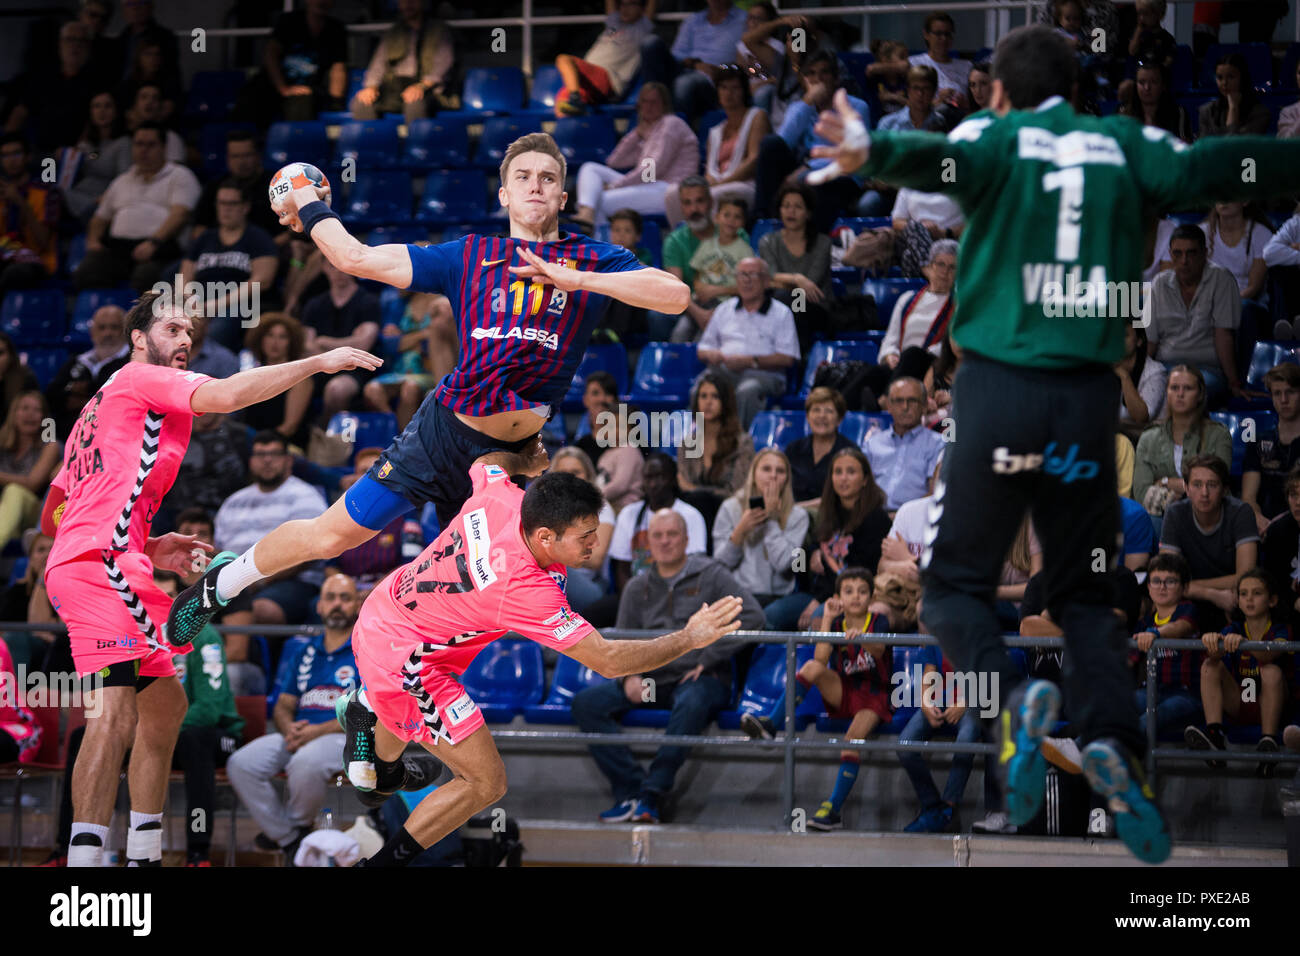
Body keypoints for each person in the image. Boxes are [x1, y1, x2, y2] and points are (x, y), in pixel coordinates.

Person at [810, 23, 1300, 863]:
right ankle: (1110, 739)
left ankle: (1008, 705)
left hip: (996, 392)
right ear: (1078, 90)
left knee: (954, 592)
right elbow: (1215, 167)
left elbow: (937, 163)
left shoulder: (991, 135)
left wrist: (871, 149)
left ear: (998, 90)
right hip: (1085, 402)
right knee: (1083, 603)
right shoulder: (1125, 140)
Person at [168, 131, 687, 650]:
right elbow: (356, 259)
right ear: (504, 194)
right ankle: (218, 587)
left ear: (563, 197)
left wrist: (578, 282)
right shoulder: (470, 255)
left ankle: (375, 697)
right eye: (522, 178)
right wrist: (306, 200)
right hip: (440, 433)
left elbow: (676, 296)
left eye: (547, 179)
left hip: (501, 459)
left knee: (483, 600)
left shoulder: (593, 259)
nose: (535, 187)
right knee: (334, 535)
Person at [40, 290, 378, 868]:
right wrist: (317, 363)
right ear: (139, 339)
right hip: (101, 567)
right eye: (172, 329)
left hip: (111, 558)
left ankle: (144, 855)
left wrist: (149, 544)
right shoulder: (138, 378)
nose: (186, 341)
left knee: (166, 704)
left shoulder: (98, 408)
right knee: (113, 713)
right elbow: (228, 393)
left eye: (190, 333)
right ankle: (85, 871)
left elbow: (56, 514)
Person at [335, 465, 744, 865]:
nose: (595, 545)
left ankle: (371, 729)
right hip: (408, 662)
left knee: (380, 779)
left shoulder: (502, 494)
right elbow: (609, 661)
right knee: (486, 783)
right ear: (545, 536)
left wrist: (528, 449)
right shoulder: (524, 588)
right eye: (585, 537)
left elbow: (483, 461)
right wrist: (690, 638)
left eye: (596, 531)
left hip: (384, 611)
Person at [575, 507, 762, 823]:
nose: (664, 541)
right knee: (586, 704)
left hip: (699, 677)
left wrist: (708, 658)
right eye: (657, 535)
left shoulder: (712, 575)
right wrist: (630, 677)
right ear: (648, 543)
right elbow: (622, 640)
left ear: (687, 539)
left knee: (692, 701)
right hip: (652, 681)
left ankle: (652, 794)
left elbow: (755, 617)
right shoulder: (636, 586)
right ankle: (631, 789)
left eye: (672, 534)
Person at [226, 574, 388, 860]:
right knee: (241, 763)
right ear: (319, 607)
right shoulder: (303, 651)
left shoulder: (369, 649)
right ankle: (292, 838)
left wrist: (316, 732)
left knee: (306, 762)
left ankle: (295, 828)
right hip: (299, 733)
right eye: (331, 598)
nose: (337, 604)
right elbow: (284, 704)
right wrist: (290, 728)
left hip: (345, 735)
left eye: (345, 598)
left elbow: (372, 708)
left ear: (357, 606)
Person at [744, 567, 893, 831]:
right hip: (844, 690)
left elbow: (879, 650)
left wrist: (863, 638)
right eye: (848, 591)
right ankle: (771, 725)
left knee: (851, 742)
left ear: (871, 597)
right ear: (838, 596)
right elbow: (822, 659)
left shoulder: (879, 620)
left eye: (862, 591)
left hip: (874, 696)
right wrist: (826, 618)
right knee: (812, 667)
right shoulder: (836, 623)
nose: (856, 597)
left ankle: (833, 809)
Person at [215, 430, 328, 628]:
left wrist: (256, 582)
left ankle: (239, 658)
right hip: (238, 583)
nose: (267, 461)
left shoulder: (305, 496)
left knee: (258, 610)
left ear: (288, 461)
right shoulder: (234, 502)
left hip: (293, 582)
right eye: (260, 455)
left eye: (274, 454)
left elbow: (307, 553)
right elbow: (220, 551)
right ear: (251, 461)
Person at [72, 121, 200, 294]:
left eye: (150, 145)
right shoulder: (122, 180)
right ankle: (105, 317)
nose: (143, 150)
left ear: (163, 147)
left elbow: (180, 215)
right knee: (87, 271)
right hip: (119, 249)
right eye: (139, 144)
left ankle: (142, 320)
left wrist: (153, 242)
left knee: (146, 276)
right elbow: (99, 218)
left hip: (161, 249)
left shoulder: (180, 176)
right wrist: (93, 241)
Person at [1187, 568, 1292, 777]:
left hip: (1270, 705)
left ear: (1272, 600)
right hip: (1241, 700)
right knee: (1210, 665)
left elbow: (1268, 656)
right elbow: (1213, 656)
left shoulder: (1281, 629)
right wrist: (1212, 643)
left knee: (1270, 671)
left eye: (1257, 593)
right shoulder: (1233, 628)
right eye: (1243, 594)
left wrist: (1245, 644)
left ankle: (1268, 740)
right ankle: (1215, 736)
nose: (1249, 599)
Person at [753, 50, 871, 233]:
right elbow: (782, 142)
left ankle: (811, 244)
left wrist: (807, 168)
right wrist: (808, 102)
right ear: (804, 79)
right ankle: (764, 221)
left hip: (842, 174)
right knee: (770, 144)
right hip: (805, 171)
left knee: (817, 186)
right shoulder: (800, 107)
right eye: (811, 73)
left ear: (836, 78)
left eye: (824, 72)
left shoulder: (857, 107)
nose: (818, 79)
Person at [572, 82, 698, 229]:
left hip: (669, 189)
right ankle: (586, 212)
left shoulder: (671, 124)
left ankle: (600, 240)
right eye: (645, 101)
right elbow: (614, 161)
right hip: (650, 184)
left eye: (654, 102)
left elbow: (651, 172)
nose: (649, 106)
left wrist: (615, 186)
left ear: (664, 105)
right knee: (590, 168)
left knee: (600, 201)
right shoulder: (650, 130)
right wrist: (637, 134)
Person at [1143, 225, 1242, 407]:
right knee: (1148, 389)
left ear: (1205, 253)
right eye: (1177, 254)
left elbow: (1223, 336)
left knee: (1188, 391)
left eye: (1191, 253)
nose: (1184, 261)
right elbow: (1150, 340)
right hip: (1165, 366)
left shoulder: (1222, 279)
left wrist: (1233, 382)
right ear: (1170, 254)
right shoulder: (1160, 282)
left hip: (1206, 369)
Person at [712, 447, 810, 629]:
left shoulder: (798, 516)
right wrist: (739, 532)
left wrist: (772, 521)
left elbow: (783, 564)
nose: (773, 476)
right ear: (754, 473)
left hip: (780, 597)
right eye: (766, 469)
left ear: (787, 478)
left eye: (780, 471)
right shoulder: (730, 508)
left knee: (765, 620)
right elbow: (720, 566)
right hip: (739, 596)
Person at [695, 256, 799, 427]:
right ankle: (700, 443)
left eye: (753, 275)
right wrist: (711, 354)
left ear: (766, 281)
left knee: (747, 390)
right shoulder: (724, 309)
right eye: (742, 275)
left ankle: (740, 445)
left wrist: (750, 361)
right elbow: (703, 348)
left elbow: (787, 358)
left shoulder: (782, 313)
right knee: (701, 387)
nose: (746, 281)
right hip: (725, 370)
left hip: (764, 374)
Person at [1159, 454, 1259, 629]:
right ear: (1187, 489)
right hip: (1192, 599)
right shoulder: (1175, 513)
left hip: (1233, 598)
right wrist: (1211, 594)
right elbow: (1167, 579)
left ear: (1224, 489)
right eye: (1197, 485)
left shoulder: (1241, 512)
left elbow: (1246, 577)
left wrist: (1187, 585)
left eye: (1212, 485)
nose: (1204, 493)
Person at [178, 180, 279, 352]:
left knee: (217, 329)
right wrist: (191, 304)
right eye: (221, 203)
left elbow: (262, 280)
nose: (226, 209)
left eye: (232, 203)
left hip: (240, 305)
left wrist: (214, 305)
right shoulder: (204, 239)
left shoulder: (258, 238)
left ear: (245, 207)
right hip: (200, 302)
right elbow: (185, 276)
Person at [664, 65, 769, 226]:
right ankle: (684, 244)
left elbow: (754, 160)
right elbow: (710, 171)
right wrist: (708, 183)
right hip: (718, 185)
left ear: (744, 91)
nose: (729, 93)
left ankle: (711, 246)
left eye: (735, 88)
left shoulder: (757, 116)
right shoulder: (715, 131)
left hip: (745, 184)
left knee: (710, 197)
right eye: (723, 88)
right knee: (672, 194)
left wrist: (721, 183)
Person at [805, 448, 892, 623]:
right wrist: (812, 553)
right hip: (814, 592)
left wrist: (818, 599)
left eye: (851, 472)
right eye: (838, 472)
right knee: (772, 616)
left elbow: (860, 570)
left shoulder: (876, 520)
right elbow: (801, 555)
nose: (843, 478)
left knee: (818, 617)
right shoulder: (827, 513)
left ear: (865, 479)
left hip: (853, 596)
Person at [1131, 365, 1232, 513]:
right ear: (1167, 392)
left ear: (1200, 395)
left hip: (1209, 514)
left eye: (1188, 388)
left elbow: (1218, 487)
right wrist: (1181, 497)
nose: (1180, 394)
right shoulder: (1148, 438)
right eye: (1174, 388)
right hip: (1160, 516)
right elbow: (1141, 494)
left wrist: (1166, 482)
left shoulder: (1218, 435)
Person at [1130, 552, 1202, 740]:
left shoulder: (1188, 610)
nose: (1162, 587)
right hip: (1149, 691)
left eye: (1170, 581)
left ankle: (1111, 760)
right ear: (1148, 587)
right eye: (1156, 581)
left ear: (1184, 588)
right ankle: (1075, 753)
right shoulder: (1144, 623)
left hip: (1185, 695)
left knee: (1149, 719)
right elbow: (1128, 661)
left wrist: (1155, 634)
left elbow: (1181, 627)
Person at [608, 452, 708, 589]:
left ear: (673, 479)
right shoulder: (628, 514)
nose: (653, 484)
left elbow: (695, 566)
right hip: (639, 593)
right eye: (648, 478)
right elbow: (622, 569)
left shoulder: (690, 515)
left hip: (678, 591)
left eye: (660, 477)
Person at [300, 259, 381, 421]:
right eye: (332, 266)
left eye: (342, 265)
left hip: (357, 368)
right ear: (324, 268)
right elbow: (307, 346)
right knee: (294, 384)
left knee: (336, 389)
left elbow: (363, 344)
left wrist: (323, 341)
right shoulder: (314, 305)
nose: (339, 272)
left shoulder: (368, 301)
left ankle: (327, 434)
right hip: (320, 366)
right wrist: (349, 342)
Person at [350, 0, 456, 123]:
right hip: (394, 88)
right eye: (403, 1)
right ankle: (374, 140)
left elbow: (443, 65)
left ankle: (416, 141)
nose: (407, 4)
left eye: (412, 1)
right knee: (361, 102)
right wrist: (371, 87)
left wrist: (421, 86)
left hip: (429, 90)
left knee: (414, 102)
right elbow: (377, 65)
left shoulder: (439, 30)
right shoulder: (392, 33)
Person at [364, 289, 452, 431]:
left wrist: (405, 339)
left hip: (429, 371)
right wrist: (423, 335)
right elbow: (390, 345)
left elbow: (434, 344)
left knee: (409, 389)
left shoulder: (442, 304)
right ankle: (395, 434)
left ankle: (407, 440)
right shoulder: (398, 304)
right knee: (372, 390)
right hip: (399, 369)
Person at [548, 447, 616, 623]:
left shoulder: (601, 508)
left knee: (552, 564)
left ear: (588, 476)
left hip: (591, 588)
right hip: (552, 581)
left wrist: (553, 553)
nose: (570, 478)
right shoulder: (543, 511)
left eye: (576, 472)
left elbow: (595, 559)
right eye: (563, 473)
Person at [676, 371, 754, 526]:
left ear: (726, 402)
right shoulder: (689, 442)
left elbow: (737, 491)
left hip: (729, 513)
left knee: (700, 500)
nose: (708, 402)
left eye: (715, 396)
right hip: (694, 512)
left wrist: (700, 492)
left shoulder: (741, 443)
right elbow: (684, 486)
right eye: (703, 396)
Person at [554, 0, 656, 117]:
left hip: (608, 78)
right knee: (561, 108)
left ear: (642, 9)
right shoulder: (614, 24)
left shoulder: (642, 28)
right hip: (586, 79)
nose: (625, 8)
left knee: (563, 59)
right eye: (623, 4)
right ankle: (577, 104)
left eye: (631, 4)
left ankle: (575, 99)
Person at [759, 182, 832, 340]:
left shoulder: (823, 243)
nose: (791, 212)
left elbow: (811, 282)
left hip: (816, 307)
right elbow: (769, 276)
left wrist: (781, 282)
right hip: (781, 301)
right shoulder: (767, 241)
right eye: (786, 206)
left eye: (798, 207)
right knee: (779, 299)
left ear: (808, 213)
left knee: (791, 299)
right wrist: (797, 279)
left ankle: (796, 359)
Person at [45, 305, 129, 440]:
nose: (108, 333)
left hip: (112, 436)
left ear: (125, 331)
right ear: (92, 332)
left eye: (114, 327)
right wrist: (74, 390)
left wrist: (82, 396)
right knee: (48, 435)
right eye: (102, 328)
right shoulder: (78, 361)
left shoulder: (131, 361)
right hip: (68, 435)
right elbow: (52, 394)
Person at [864, 377, 945, 514]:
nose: (905, 407)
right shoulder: (872, 444)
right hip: (873, 517)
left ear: (924, 406)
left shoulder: (938, 444)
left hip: (915, 520)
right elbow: (861, 487)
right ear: (889, 406)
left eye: (912, 401)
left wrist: (903, 517)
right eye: (898, 401)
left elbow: (934, 493)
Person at [661, 0, 748, 124]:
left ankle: (680, 135)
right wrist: (695, 64)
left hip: (717, 80)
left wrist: (722, 69)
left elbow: (748, 63)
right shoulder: (693, 21)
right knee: (652, 45)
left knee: (684, 84)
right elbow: (676, 54)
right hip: (688, 69)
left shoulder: (744, 20)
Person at [262, 0, 348, 122]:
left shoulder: (335, 29)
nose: (321, 2)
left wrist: (336, 102)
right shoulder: (289, 21)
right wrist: (283, 87)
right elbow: (270, 55)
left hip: (309, 91)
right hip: (273, 86)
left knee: (302, 101)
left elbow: (338, 69)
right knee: (250, 104)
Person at [239, 315, 315, 452]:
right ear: (261, 340)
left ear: (291, 343)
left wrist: (259, 445)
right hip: (251, 443)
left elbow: (289, 427)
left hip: (284, 447)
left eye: (283, 337)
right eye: (270, 335)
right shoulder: (251, 374)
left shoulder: (300, 377)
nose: (275, 342)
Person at [57, 90, 131, 227]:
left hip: (101, 200)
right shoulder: (86, 144)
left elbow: (124, 179)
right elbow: (71, 176)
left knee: (53, 195)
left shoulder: (123, 143)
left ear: (116, 111)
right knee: (47, 188)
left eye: (107, 106)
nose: (102, 111)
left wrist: (106, 198)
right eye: (96, 106)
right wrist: (65, 159)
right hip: (77, 194)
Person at [0, 391, 62, 549]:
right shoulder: (2, 441)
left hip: (34, 512)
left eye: (37, 410)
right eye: (24, 408)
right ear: (13, 413)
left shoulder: (50, 445)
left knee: (14, 491)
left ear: (44, 417)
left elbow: (32, 483)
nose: (30, 415)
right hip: (5, 512)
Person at [0, 133, 60, 294]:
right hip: (4, 256)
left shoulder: (47, 193)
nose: (11, 160)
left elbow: (43, 242)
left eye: (17, 153)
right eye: (5, 155)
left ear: (28, 157)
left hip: (36, 260)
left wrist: (21, 203)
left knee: (16, 273)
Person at [1243, 364, 1300, 532]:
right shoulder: (1258, 442)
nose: (1283, 400)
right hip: (1267, 526)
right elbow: (1248, 497)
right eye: (1277, 393)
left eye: (1290, 392)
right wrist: (1258, 518)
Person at [0, 530, 60, 671]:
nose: (46, 554)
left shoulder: (71, 589)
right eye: (40, 550)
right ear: (31, 559)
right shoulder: (17, 591)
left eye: (52, 548)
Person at [786, 386, 854, 508]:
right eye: (816, 410)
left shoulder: (849, 452)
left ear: (839, 419)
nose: (822, 416)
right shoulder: (793, 449)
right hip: (792, 517)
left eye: (829, 411)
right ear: (807, 416)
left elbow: (846, 498)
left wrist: (797, 508)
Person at [688, 197, 754, 308]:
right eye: (727, 215)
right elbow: (696, 276)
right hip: (700, 301)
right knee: (683, 325)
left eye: (737, 217)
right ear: (717, 217)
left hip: (726, 304)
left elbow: (748, 286)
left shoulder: (745, 252)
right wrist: (700, 288)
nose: (731, 220)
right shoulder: (706, 244)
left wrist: (717, 291)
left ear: (743, 222)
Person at [1201, 201, 1272, 301]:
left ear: (1245, 201)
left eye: (1230, 194)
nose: (1223, 200)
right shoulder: (1202, 232)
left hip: (1246, 302)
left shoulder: (1261, 233)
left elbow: (1253, 287)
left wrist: (1228, 305)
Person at [1198, 53, 1272, 138]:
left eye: (1230, 77)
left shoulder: (1260, 113)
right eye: (1220, 77)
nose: (1224, 83)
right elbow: (1204, 146)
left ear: (1243, 79)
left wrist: (1233, 108)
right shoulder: (1207, 111)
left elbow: (1234, 146)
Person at [1115, 322, 1165, 442]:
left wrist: (1124, 376)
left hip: (1148, 443)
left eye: (1125, 335)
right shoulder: (1107, 368)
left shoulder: (1155, 371)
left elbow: (1141, 417)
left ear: (1139, 341)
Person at [1117, 62, 1190, 143]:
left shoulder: (1178, 112)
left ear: (1163, 85)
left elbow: (1183, 146)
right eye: (1141, 82)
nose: (1147, 88)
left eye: (1153, 82)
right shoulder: (1123, 112)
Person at [877, 65, 938, 134]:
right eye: (916, 88)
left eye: (926, 88)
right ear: (908, 90)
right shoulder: (888, 124)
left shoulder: (942, 123)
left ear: (934, 91)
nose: (920, 94)